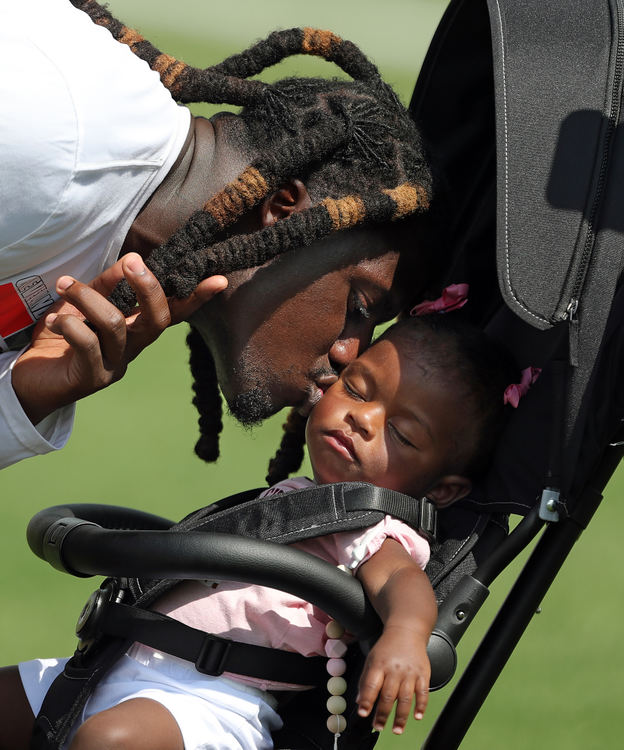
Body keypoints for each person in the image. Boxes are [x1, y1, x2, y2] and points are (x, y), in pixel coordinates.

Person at [0, 312, 519, 749]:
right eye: (357, 389)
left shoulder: (376, 527)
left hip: (214, 701)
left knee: (112, 742)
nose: (362, 418)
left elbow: (402, 583)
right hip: (113, 662)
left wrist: (406, 636)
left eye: (401, 433)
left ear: (443, 490)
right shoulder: (293, 498)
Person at [0, 0, 437, 470]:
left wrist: (22, 397)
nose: (349, 355)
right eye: (360, 309)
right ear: (285, 209)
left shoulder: (97, 221)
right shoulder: (48, 135)